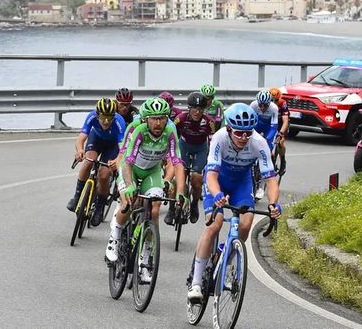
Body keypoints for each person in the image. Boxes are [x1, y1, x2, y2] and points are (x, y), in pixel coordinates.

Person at [187, 103, 281, 303]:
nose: (244, 138)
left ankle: (227, 257)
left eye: (248, 133)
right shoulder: (219, 138)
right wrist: (217, 194)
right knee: (214, 225)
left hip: (241, 183)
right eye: (239, 133)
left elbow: (271, 180)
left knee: (246, 224)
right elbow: (211, 175)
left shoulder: (259, 143)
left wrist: (273, 204)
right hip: (217, 181)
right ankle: (196, 283)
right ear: (229, 129)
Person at [105, 98, 186, 279]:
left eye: (162, 118)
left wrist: (181, 193)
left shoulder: (170, 133)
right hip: (131, 170)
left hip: (152, 172)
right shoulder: (139, 131)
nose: (158, 123)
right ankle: (115, 236)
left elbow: (177, 163)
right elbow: (127, 162)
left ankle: (146, 258)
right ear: (146, 119)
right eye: (154, 119)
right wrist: (130, 186)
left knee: (155, 209)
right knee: (128, 202)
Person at [69, 98, 126, 226]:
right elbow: (81, 139)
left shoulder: (119, 122)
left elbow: (122, 148)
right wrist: (80, 151)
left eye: (109, 117)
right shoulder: (91, 117)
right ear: (97, 115)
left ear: (113, 116)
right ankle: (77, 197)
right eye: (103, 117)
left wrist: (117, 160)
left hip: (112, 146)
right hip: (96, 140)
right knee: (88, 162)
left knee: (104, 175)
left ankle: (99, 207)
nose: (106, 121)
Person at [167, 91, 216, 225]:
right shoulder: (180, 119)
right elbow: (172, 136)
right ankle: (171, 209)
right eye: (194, 108)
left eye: (200, 109)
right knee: (178, 178)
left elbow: (213, 141)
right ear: (189, 108)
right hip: (184, 146)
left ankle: (194, 204)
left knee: (196, 179)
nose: (197, 112)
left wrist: (212, 158)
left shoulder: (209, 122)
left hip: (201, 148)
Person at [269, 87, 289, 177]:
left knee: (280, 142)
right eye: (271, 100)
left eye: (276, 100)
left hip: (281, 124)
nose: (274, 102)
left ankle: (283, 160)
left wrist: (280, 133)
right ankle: (271, 159)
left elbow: (285, 121)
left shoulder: (282, 103)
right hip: (270, 123)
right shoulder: (266, 104)